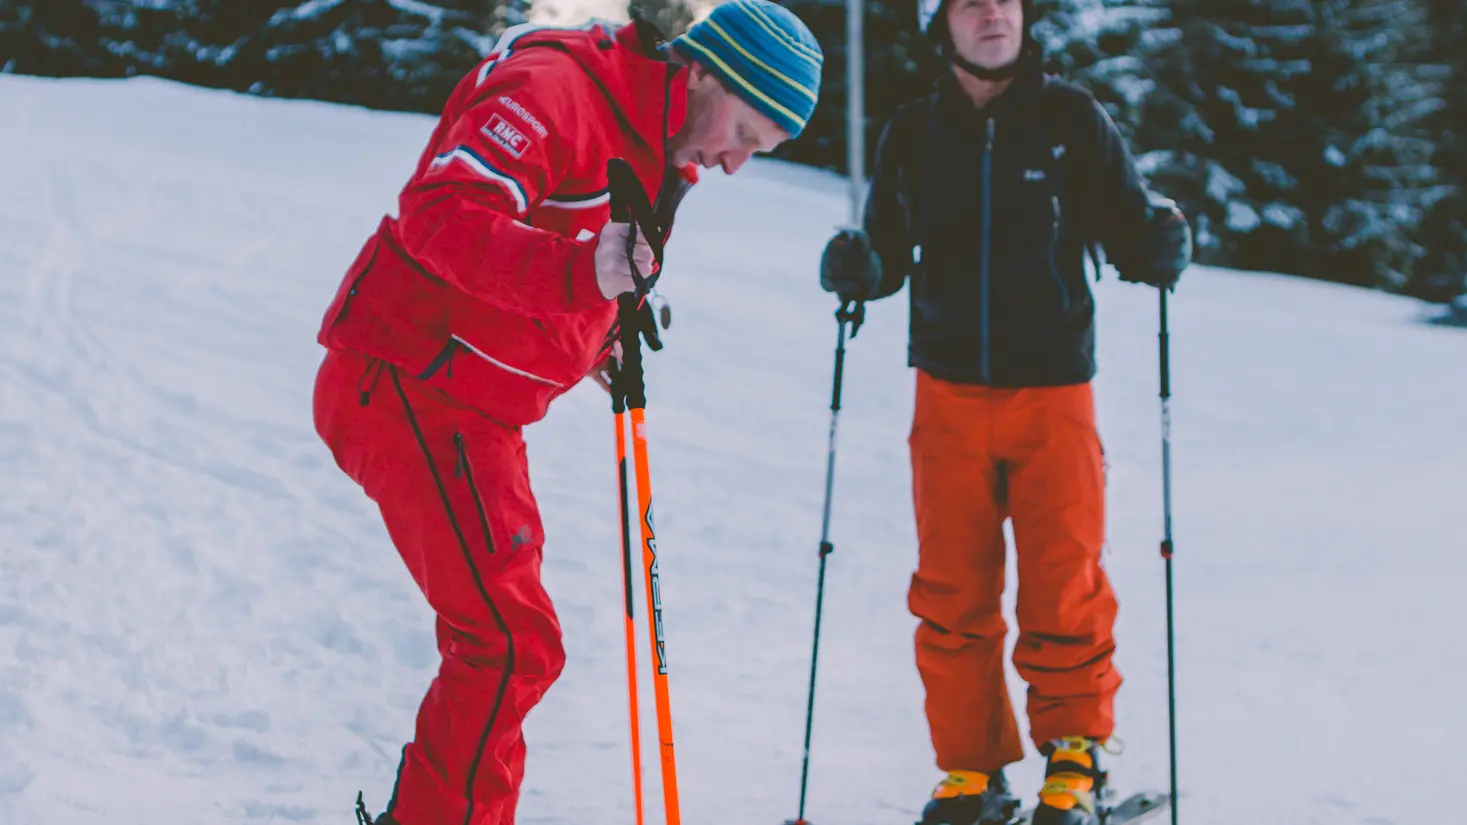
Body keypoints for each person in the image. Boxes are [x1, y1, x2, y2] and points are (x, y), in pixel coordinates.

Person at [311, 4, 823, 824]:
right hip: (405, 372)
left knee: (516, 645)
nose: (735, 164)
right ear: (703, 72)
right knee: (507, 641)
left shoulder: (667, 150)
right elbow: (438, 215)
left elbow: (583, 248)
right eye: (745, 133)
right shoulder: (557, 90)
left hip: (478, 405)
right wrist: (584, 274)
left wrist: (596, 341)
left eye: (759, 152)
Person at [817, 0, 1191, 823]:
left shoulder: (1070, 120)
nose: (994, 12)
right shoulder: (912, 133)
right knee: (951, 588)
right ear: (939, 25)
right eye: (970, 1)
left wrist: (1162, 241)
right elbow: (882, 255)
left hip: (1052, 389)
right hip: (945, 392)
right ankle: (969, 770)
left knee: (1063, 580)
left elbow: (1131, 234)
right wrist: (856, 265)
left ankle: (1074, 756)